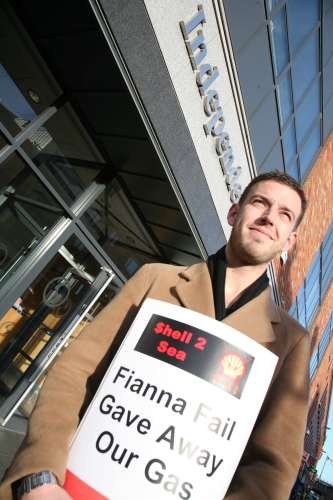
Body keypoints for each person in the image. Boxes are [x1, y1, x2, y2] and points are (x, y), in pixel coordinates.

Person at [0, 171, 310, 500]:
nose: (268, 217)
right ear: (235, 212)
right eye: (260, 202)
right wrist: (39, 475)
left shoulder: (291, 342)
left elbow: (271, 465)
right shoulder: (154, 279)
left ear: (289, 240)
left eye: (284, 214)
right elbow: (75, 373)